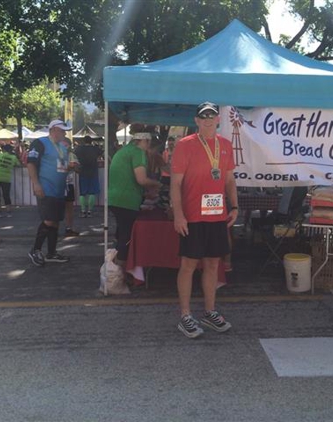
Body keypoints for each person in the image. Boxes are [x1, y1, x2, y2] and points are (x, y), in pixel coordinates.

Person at [171, 102, 238, 339]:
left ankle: (209, 311)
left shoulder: (226, 146)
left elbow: (229, 180)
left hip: (217, 216)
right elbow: (175, 183)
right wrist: (178, 214)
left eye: (212, 116)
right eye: (203, 116)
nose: (208, 120)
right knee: (188, 265)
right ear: (197, 121)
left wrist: (235, 205)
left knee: (212, 264)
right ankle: (186, 315)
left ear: (218, 119)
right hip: (192, 217)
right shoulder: (184, 145)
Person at [108, 132, 162, 272]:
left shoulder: (124, 150)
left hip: (116, 198)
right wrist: (157, 184)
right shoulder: (138, 152)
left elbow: (128, 178)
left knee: (121, 235)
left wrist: (144, 193)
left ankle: (116, 268)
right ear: (145, 141)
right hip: (127, 200)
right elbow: (142, 179)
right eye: (150, 145)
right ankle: (121, 272)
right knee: (126, 237)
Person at [27, 119, 72, 266]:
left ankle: (51, 252)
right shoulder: (40, 143)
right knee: (49, 220)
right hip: (46, 188)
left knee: (56, 221)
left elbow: (62, 166)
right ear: (53, 129)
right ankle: (35, 249)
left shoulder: (62, 147)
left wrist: (72, 167)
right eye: (62, 130)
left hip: (59, 190)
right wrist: (36, 183)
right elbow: (31, 163)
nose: (64, 133)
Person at [74, 135, 102, 218]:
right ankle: (90, 211)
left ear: (83, 141)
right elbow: (100, 156)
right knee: (92, 192)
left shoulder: (78, 149)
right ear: (91, 141)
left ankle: (83, 211)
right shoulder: (95, 149)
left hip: (82, 171)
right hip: (93, 171)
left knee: (83, 193)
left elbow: (75, 158)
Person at [0, 144, 21, 218]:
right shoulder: (13, 157)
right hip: (6, 179)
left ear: (4, 150)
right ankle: (8, 212)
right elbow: (18, 164)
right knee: (6, 195)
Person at [62, 137, 80, 236]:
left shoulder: (72, 155)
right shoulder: (54, 154)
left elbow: (78, 169)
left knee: (69, 208)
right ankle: (52, 228)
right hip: (57, 184)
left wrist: (74, 166)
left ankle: (69, 228)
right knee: (57, 207)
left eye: (66, 145)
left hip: (68, 184)